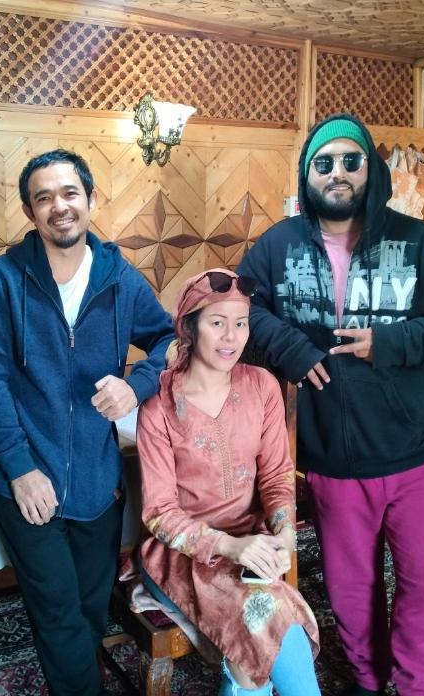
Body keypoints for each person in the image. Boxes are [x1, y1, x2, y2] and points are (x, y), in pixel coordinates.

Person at [238, 114, 424, 696]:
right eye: (323, 163)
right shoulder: (278, 245)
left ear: (371, 170)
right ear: (308, 175)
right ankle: (371, 686)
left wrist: (393, 343)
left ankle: (416, 689)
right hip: (334, 465)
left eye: (352, 161)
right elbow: (239, 309)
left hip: (422, 459)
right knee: (353, 599)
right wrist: (293, 349)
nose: (339, 173)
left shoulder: (419, 241)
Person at [0, 148, 175, 696]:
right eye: (44, 198)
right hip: (25, 482)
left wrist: (136, 384)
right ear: (30, 211)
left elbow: (168, 339)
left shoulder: (119, 278)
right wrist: (18, 467)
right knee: (59, 613)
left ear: (88, 201)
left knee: (89, 610)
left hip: (98, 480)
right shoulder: (5, 279)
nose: (59, 207)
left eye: (69, 194)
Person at [136, 268, 321, 696]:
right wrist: (229, 546)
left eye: (240, 324)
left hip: (252, 543)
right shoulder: (159, 403)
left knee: (264, 621)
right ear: (189, 325)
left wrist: (285, 532)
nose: (231, 337)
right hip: (180, 554)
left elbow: (276, 474)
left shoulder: (262, 387)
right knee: (269, 617)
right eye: (217, 323)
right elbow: (160, 514)